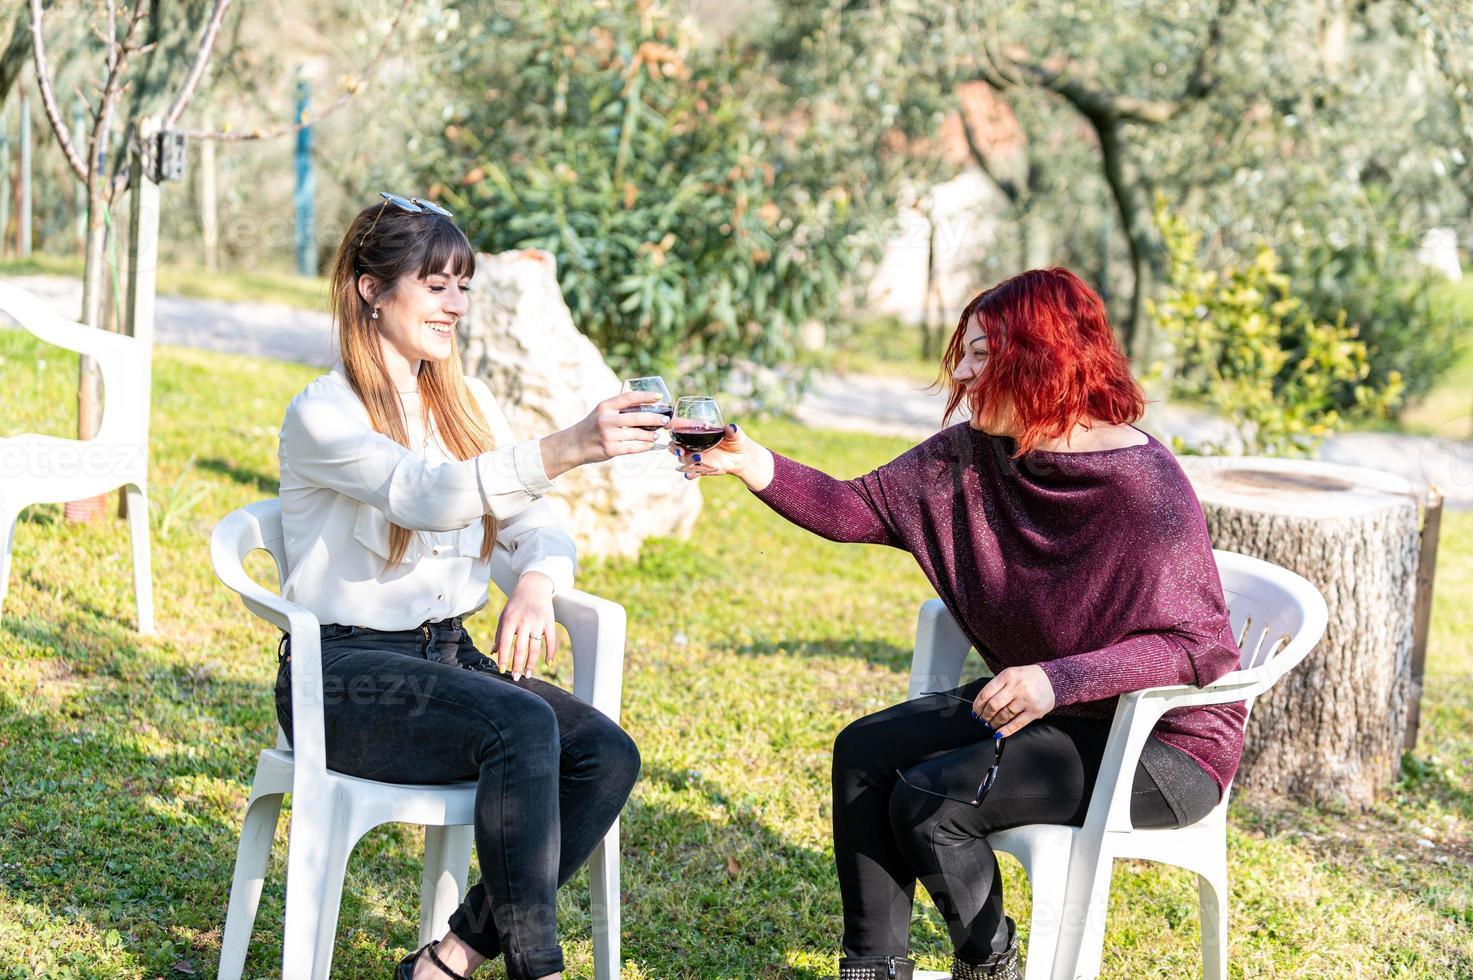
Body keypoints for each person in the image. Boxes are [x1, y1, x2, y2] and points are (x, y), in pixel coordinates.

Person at [675, 268, 1241, 980]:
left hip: (1158, 747)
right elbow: (856, 510)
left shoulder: (1141, 487)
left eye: (982, 356)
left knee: (930, 802)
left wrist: (1055, 678)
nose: (962, 373)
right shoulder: (974, 453)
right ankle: (874, 967)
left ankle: (987, 961)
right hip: (1057, 714)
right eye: (963, 353)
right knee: (863, 751)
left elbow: (1198, 649)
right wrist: (749, 461)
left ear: (1044, 359)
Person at [275, 194, 665, 980]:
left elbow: (535, 523)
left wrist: (538, 585)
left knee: (605, 755)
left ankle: (449, 958)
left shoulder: (463, 402)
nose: (455, 304)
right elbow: (424, 494)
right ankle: (539, 968)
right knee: (521, 722)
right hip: (344, 678)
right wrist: (566, 445)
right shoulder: (324, 415)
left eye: (463, 285)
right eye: (435, 284)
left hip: (449, 661)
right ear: (369, 289)